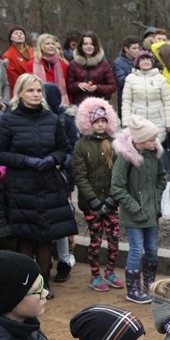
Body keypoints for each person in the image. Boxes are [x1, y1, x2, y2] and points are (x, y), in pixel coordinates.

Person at [0, 73, 75, 287]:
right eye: (30, 90)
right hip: (21, 184)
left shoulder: (52, 118)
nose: (36, 94)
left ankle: (44, 283)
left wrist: (52, 159)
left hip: (49, 183)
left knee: (46, 235)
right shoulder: (8, 120)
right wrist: (25, 160)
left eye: (38, 90)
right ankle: (28, 285)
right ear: (20, 93)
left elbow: (65, 149)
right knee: (26, 236)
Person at [111, 115, 167, 304]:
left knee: (152, 248)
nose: (155, 142)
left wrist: (155, 198)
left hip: (151, 211)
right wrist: (135, 206)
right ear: (139, 141)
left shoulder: (155, 154)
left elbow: (161, 178)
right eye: (151, 139)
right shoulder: (125, 157)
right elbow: (117, 186)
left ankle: (149, 285)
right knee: (136, 250)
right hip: (134, 213)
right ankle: (133, 289)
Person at [74, 96, 123, 291]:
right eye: (96, 122)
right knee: (95, 240)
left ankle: (110, 271)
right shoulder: (81, 145)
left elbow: (119, 174)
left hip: (111, 203)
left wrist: (112, 199)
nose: (101, 125)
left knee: (114, 238)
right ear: (89, 123)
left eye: (104, 121)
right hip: (91, 204)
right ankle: (95, 275)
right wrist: (93, 201)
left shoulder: (115, 143)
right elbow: (80, 175)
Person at [121, 50, 170, 143]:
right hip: (137, 120)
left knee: (156, 147)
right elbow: (126, 102)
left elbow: (167, 102)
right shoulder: (130, 79)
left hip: (157, 120)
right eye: (142, 59)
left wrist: (169, 122)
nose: (145, 61)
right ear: (137, 63)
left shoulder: (160, 79)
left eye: (148, 59)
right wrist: (126, 122)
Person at [66, 30, 117, 105]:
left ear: (96, 46)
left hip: (99, 104)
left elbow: (112, 87)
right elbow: (69, 87)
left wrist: (97, 87)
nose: (88, 46)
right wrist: (78, 85)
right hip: (79, 105)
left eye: (91, 44)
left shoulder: (104, 64)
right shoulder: (73, 64)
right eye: (85, 44)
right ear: (81, 46)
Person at [31, 34, 68, 107]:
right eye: (47, 44)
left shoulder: (63, 65)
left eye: (53, 44)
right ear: (41, 46)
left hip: (59, 105)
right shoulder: (31, 64)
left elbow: (67, 87)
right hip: (39, 104)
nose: (51, 46)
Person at [1, 25, 32, 92]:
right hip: (20, 89)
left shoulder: (32, 53)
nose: (19, 35)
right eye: (16, 33)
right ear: (11, 38)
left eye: (21, 33)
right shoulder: (7, 55)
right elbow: (12, 78)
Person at [112, 36, 141, 104]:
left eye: (138, 48)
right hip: (126, 100)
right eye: (134, 48)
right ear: (126, 49)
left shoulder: (141, 60)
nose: (137, 51)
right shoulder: (118, 63)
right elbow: (122, 81)